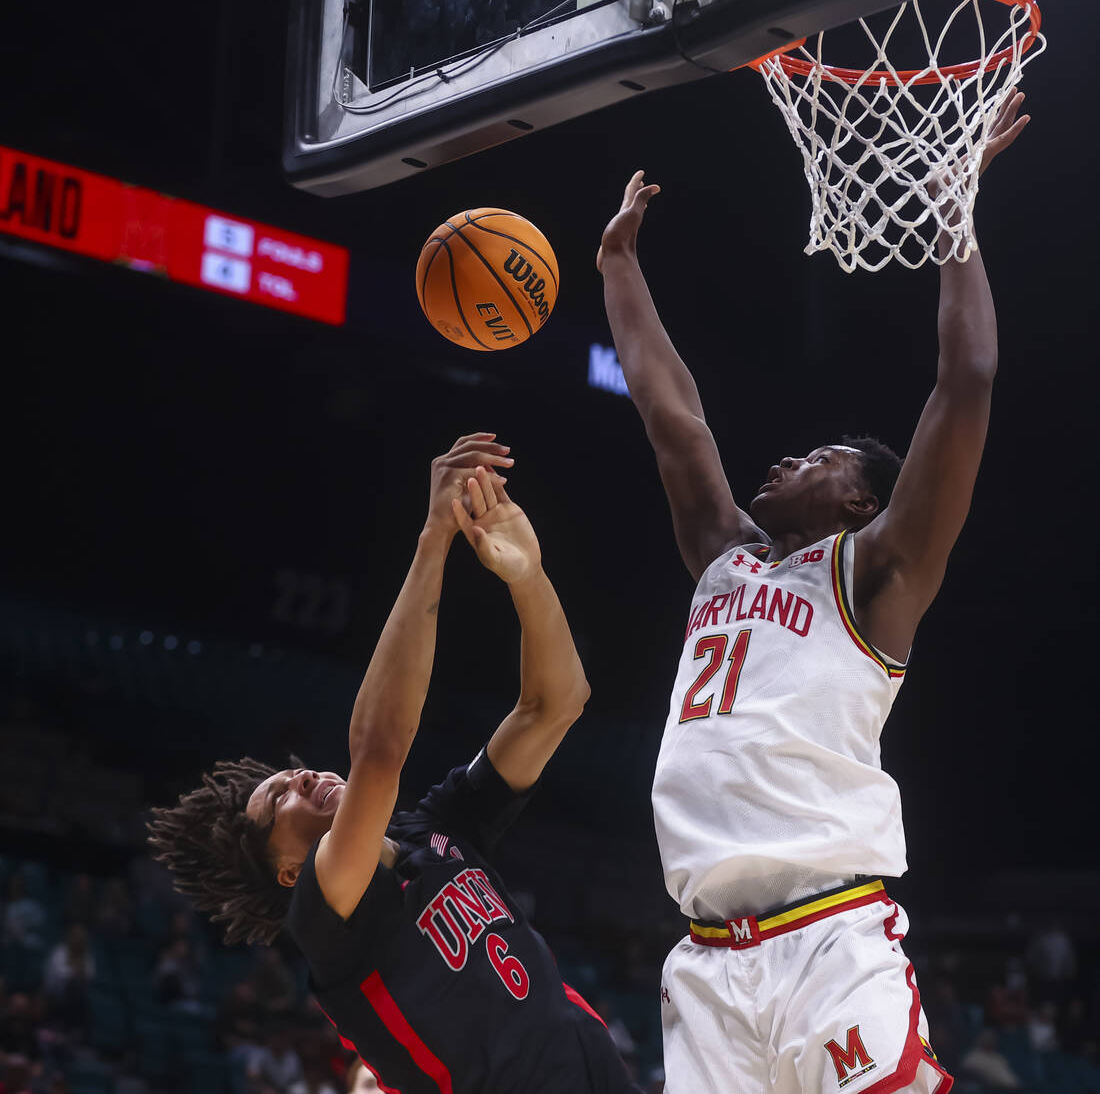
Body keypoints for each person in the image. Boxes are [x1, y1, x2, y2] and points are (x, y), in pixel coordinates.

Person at [597, 93, 1031, 1093]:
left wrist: (954, 214)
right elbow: (674, 419)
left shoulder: (877, 571)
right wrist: (618, 269)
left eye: (821, 455)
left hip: (827, 938)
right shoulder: (725, 555)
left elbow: (964, 379)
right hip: (705, 960)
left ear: (861, 498)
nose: (789, 455)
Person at [149, 434, 641, 1094]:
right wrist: (434, 536)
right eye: (281, 799)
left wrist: (528, 577)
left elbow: (554, 705)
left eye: (290, 774)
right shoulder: (330, 914)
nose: (302, 776)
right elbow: (380, 751)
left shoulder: (437, 830)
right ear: (288, 870)